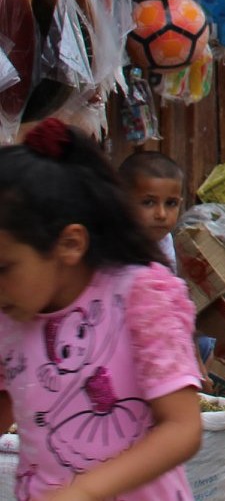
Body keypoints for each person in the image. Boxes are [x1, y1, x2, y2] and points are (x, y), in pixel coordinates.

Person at [0, 120, 203, 500]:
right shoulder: (12, 313)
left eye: (3, 267)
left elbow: (182, 427)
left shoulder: (141, 294)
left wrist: (84, 492)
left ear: (70, 244)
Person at [118, 151, 186, 272]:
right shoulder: (113, 248)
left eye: (171, 203)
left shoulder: (164, 240)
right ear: (122, 202)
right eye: (148, 203)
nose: (161, 214)